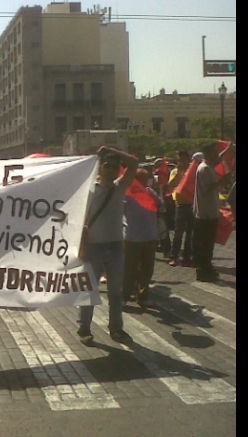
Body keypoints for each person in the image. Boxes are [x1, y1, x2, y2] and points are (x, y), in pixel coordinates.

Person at [78, 146, 137, 346]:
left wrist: (112, 150)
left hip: (116, 246)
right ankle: (84, 328)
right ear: (100, 168)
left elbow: (134, 163)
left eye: (115, 167)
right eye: (107, 166)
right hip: (94, 246)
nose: (111, 170)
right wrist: (82, 247)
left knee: (115, 292)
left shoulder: (120, 187)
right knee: (90, 290)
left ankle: (116, 329)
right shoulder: (90, 190)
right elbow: (81, 220)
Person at [193, 142, 234, 282]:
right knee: (205, 245)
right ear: (208, 154)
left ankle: (206, 269)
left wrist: (227, 150)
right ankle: (203, 272)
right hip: (206, 214)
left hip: (209, 212)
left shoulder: (208, 166)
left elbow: (217, 160)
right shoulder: (204, 169)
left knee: (208, 244)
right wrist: (224, 179)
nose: (217, 154)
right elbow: (208, 188)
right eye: (214, 152)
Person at [123, 168, 160, 309]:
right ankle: (124, 297)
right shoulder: (127, 194)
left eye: (146, 179)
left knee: (147, 269)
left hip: (150, 236)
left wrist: (152, 195)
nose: (145, 181)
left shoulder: (150, 192)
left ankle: (143, 297)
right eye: (142, 179)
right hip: (133, 237)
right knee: (130, 270)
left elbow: (160, 205)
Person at [167, 151, 194, 267]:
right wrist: (179, 173)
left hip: (192, 204)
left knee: (190, 233)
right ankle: (174, 256)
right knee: (178, 232)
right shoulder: (174, 171)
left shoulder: (192, 172)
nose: (182, 162)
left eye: (184, 159)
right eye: (180, 160)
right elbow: (170, 184)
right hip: (181, 204)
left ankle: (187, 257)